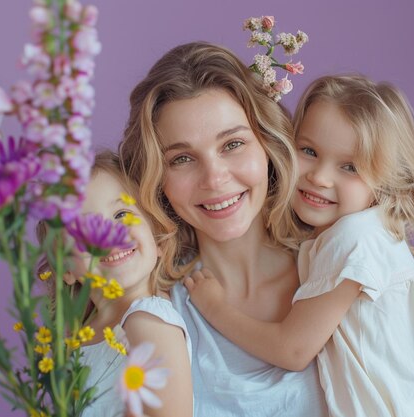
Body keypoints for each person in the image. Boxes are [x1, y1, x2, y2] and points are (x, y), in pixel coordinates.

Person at [185, 75, 414, 416]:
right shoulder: (360, 235)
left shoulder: (355, 239)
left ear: (385, 181)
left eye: (350, 167)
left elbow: (293, 350)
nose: (320, 177)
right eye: (309, 151)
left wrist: (215, 308)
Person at [119, 42, 327, 416]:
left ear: (268, 144)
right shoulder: (153, 310)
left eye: (232, 144)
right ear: (156, 178)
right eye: (182, 158)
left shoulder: (338, 269)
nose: (214, 179)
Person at [36, 151, 193, 417]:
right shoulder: (70, 341)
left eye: (121, 214)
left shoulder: (147, 320)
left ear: (158, 242)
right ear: (66, 269)